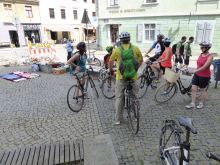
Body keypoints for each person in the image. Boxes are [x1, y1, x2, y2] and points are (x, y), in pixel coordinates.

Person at [109, 32, 143, 125]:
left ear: (121, 40)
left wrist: (111, 70)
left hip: (121, 77)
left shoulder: (117, 50)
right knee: (135, 95)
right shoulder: (135, 48)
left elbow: (111, 61)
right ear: (129, 39)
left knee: (119, 97)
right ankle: (136, 116)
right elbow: (141, 60)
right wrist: (135, 69)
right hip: (133, 76)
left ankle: (118, 119)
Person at [185, 42, 213, 109]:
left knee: (202, 90)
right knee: (193, 89)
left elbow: (204, 67)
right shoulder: (201, 54)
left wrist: (194, 71)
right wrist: (191, 70)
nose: (201, 48)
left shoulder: (210, 56)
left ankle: (201, 103)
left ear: (207, 48)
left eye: (203, 47)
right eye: (201, 47)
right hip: (197, 74)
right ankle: (192, 103)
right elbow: (199, 65)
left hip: (204, 76)